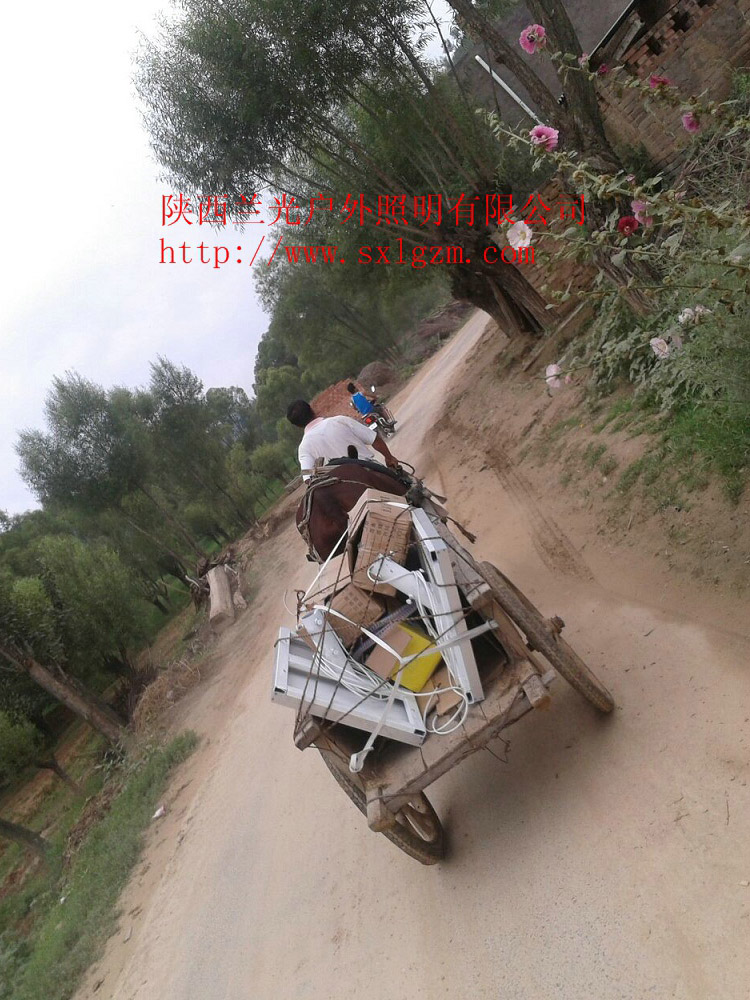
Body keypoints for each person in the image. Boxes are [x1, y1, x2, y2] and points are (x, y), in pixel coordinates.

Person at [286, 399, 399, 479]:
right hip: (370, 470)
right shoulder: (340, 420)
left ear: (297, 426)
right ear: (312, 410)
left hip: (341, 486)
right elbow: (374, 439)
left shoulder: (304, 448)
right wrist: (389, 458)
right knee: (403, 484)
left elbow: (307, 478)